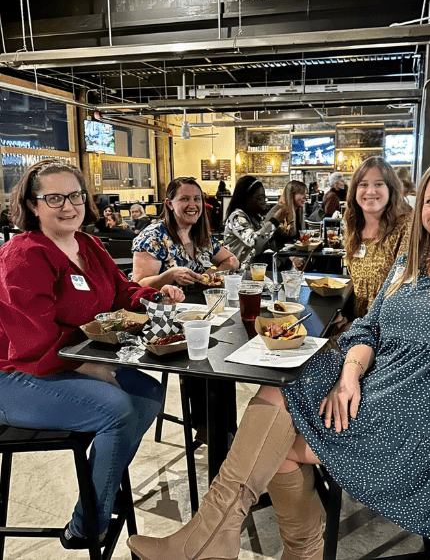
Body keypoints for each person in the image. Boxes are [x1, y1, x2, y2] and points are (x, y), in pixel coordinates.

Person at [127, 155, 430, 560]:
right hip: (376, 382)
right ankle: (226, 537)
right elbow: (370, 327)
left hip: (420, 411)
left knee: (275, 442)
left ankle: (254, 544)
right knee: (280, 387)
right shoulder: (410, 262)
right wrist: (349, 375)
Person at [0, 160, 184, 551]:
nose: (68, 206)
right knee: (115, 409)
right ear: (33, 205)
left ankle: (101, 483)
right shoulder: (24, 255)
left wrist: (153, 296)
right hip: (19, 373)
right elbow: (33, 338)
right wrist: (88, 365)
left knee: (148, 394)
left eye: (75, 195)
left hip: (68, 363)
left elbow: (120, 292)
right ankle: (87, 524)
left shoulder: (88, 245)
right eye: (54, 198)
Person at [334, 156, 412, 327]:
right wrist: (344, 316)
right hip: (358, 323)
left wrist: (356, 326)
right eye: (363, 184)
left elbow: (401, 293)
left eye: (378, 184)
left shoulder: (406, 226)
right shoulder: (354, 225)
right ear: (354, 190)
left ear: (391, 189)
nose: (370, 191)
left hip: (388, 329)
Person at [133, 177, 238, 290]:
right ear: (170, 204)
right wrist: (170, 276)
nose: (192, 205)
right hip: (167, 305)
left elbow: (232, 260)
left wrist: (216, 273)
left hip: (199, 304)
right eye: (184, 199)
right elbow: (139, 285)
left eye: (197, 199)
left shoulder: (200, 234)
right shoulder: (152, 237)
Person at [223, 176, 282, 268]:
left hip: (255, 269)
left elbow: (265, 243)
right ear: (246, 198)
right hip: (237, 272)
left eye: (264, 198)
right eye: (260, 198)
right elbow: (254, 241)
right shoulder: (237, 217)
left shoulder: (256, 217)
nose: (263, 202)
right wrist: (275, 220)